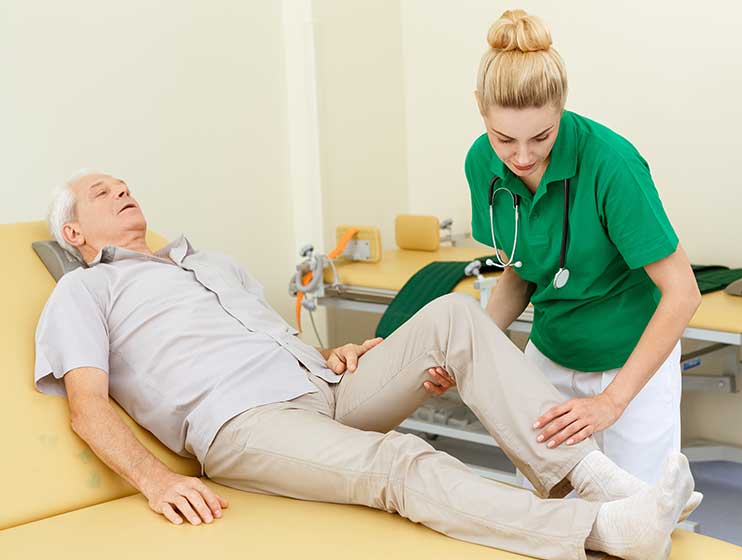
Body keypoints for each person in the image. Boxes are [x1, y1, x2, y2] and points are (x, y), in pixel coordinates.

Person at [35, 171, 698, 560]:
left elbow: (272, 338)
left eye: (124, 185)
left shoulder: (210, 263)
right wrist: (155, 482)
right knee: (400, 459)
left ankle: (593, 477)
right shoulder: (85, 291)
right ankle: (604, 530)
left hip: (324, 384)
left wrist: (334, 354)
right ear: (73, 233)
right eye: (103, 191)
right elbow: (87, 406)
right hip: (245, 425)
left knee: (454, 315)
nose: (123, 191)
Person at [458, 9, 702, 483]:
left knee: (636, 508)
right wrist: (472, 346)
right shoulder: (481, 163)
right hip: (549, 354)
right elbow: (522, 271)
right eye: (504, 139)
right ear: (480, 109)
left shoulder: (611, 164)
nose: (523, 156)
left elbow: (683, 294)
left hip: (630, 362)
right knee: (548, 504)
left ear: (561, 107)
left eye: (541, 137)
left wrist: (612, 401)